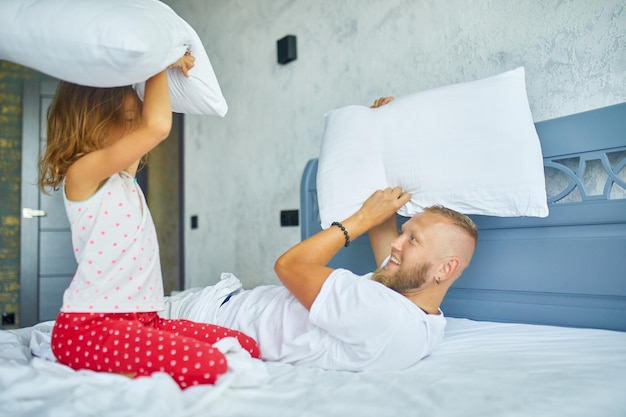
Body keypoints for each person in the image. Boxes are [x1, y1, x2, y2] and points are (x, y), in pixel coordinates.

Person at [162, 97, 478, 372]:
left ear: (446, 267)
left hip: (203, 321)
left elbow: (288, 265)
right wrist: (383, 133)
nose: (397, 242)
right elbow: (382, 224)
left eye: (413, 239)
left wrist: (359, 218)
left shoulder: (383, 315)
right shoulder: (421, 314)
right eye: (404, 232)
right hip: (217, 308)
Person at [38, 53, 260, 389]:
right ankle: (107, 370)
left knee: (247, 347)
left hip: (146, 321)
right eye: (128, 119)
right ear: (93, 120)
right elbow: (156, 126)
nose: (136, 128)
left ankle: (123, 366)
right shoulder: (82, 175)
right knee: (213, 365)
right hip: (90, 328)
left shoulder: (124, 177)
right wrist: (159, 60)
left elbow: (151, 123)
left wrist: (158, 72)